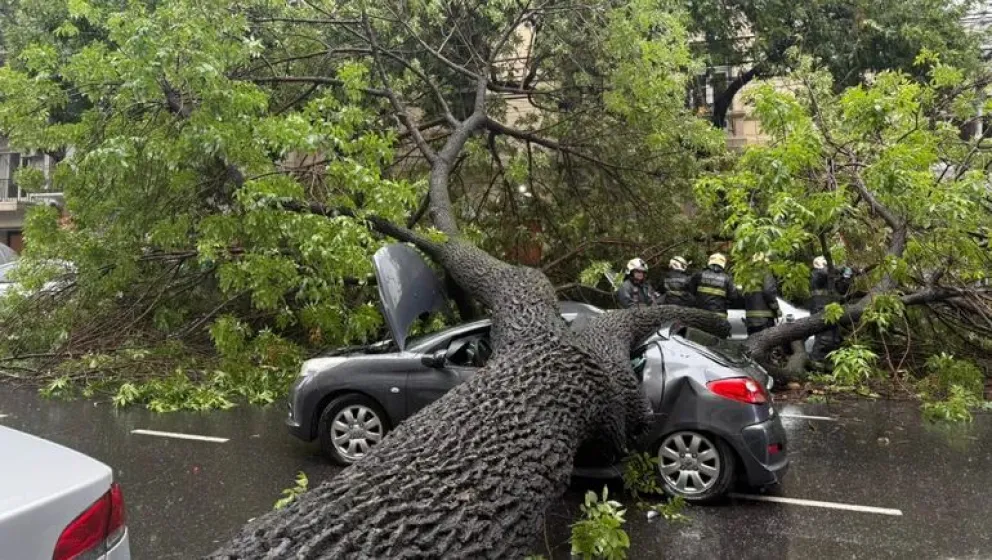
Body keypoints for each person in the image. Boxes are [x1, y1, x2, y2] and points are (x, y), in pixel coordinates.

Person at [808, 255, 843, 369]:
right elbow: (824, 273)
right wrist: (841, 268)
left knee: (835, 339)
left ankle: (828, 366)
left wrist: (847, 276)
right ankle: (816, 366)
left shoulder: (830, 278)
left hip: (833, 311)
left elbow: (842, 289)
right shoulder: (816, 274)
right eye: (828, 265)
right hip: (820, 309)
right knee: (823, 339)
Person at [687, 253, 738, 323]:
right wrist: (725, 305)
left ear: (710, 262)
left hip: (700, 315)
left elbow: (689, 291)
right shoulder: (727, 279)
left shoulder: (699, 275)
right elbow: (733, 297)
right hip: (719, 316)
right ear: (723, 264)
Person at [743, 253, 781, 335]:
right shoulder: (766, 272)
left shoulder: (747, 275)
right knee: (766, 342)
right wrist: (776, 308)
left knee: (753, 342)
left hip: (750, 320)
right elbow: (769, 292)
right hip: (764, 319)